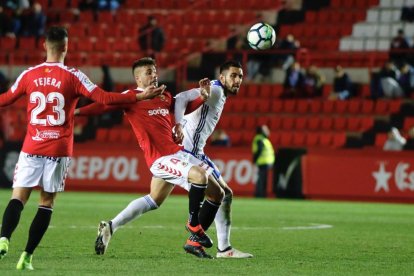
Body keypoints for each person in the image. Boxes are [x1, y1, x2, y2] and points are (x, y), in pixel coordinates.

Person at [0, 26, 164, 271]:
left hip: (31, 147)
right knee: (46, 203)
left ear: (44, 46)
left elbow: (4, 100)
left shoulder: (28, 75)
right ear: (66, 47)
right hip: (58, 150)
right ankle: (27, 256)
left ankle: (4, 239)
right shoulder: (73, 76)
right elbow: (106, 99)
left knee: (18, 198)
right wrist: (138, 97)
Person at [76, 57, 224, 259]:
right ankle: (193, 225)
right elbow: (103, 106)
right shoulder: (131, 97)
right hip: (160, 160)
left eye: (155, 71)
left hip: (176, 153)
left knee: (212, 193)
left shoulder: (163, 96)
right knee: (199, 177)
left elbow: (183, 107)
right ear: (137, 78)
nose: (154, 75)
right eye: (148, 72)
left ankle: (110, 226)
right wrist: (76, 112)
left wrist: (202, 98)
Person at [175, 60, 252, 258]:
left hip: (198, 151)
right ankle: (196, 240)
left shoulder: (221, 93)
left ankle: (224, 249)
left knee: (226, 193)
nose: (237, 80)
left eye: (240, 77)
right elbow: (181, 97)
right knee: (218, 194)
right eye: (233, 76)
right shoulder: (215, 91)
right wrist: (178, 125)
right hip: (188, 152)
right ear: (222, 77)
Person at [252, 125, 275, 198]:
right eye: (266, 130)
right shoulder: (260, 139)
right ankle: (260, 195)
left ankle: (261, 194)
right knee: (261, 180)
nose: (268, 131)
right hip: (263, 162)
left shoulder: (263, 139)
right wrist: (255, 161)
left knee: (262, 179)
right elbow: (259, 150)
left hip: (265, 162)